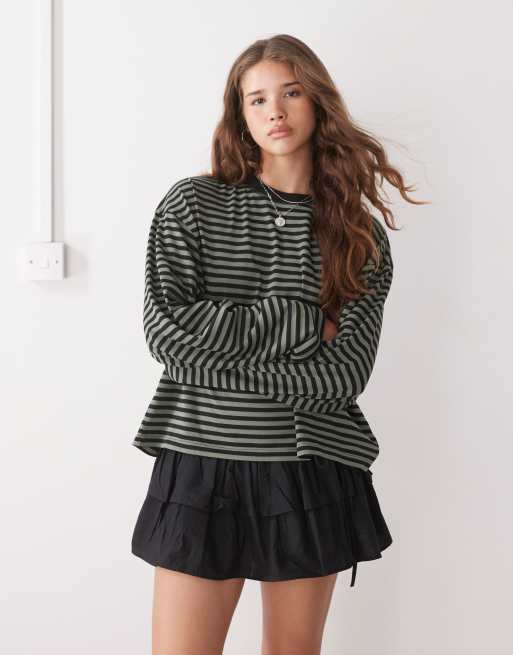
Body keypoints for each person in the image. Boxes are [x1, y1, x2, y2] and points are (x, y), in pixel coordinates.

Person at [131, 33, 427, 655]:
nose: (275, 111)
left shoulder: (357, 235)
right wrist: (301, 325)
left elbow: (342, 378)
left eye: (290, 92)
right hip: (201, 461)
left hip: (310, 465)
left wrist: (216, 364)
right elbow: (168, 334)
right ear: (239, 114)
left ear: (317, 101)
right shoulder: (193, 205)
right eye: (257, 98)